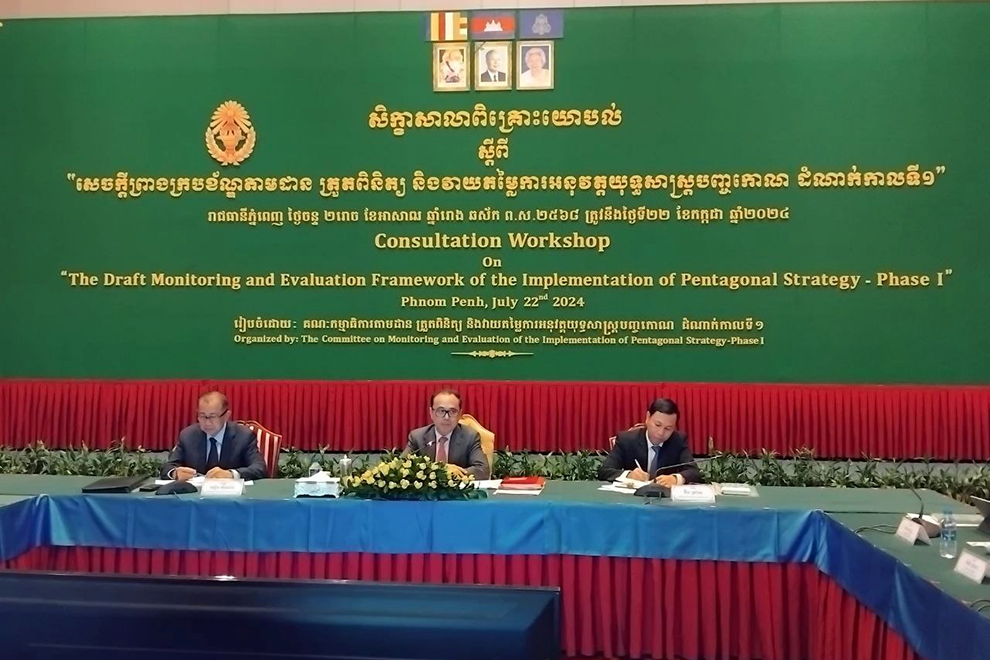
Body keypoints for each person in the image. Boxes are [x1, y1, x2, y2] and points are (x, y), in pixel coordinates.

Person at [160, 391, 268, 481]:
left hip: (231, 496)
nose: (207, 423)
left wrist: (231, 474)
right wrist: (174, 473)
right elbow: (168, 467)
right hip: (196, 496)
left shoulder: (243, 436)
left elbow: (259, 468)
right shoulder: (188, 436)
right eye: (202, 416)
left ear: (226, 416)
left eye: (213, 417)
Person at [598, 398, 700, 486]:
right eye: (657, 425)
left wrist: (675, 478)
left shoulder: (678, 441)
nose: (661, 432)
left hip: (664, 498)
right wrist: (629, 475)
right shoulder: (627, 440)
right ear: (647, 418)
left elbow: (694, 472)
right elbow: (605, 471)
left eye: (668, 428)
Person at [403, 389, 490, 480]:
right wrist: (440, 470)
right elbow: (401, 466)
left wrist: (455, 473)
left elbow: (482, 470)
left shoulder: (470, 437)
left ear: (460, 414)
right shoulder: (417, 437)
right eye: (441, 411)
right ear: (431, 413)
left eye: (452, 411)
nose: (446, 417)